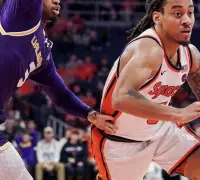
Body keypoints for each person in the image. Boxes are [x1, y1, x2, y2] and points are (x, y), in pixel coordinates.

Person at [93, 0, 200, 180]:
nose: (187, 20)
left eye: (190, 13)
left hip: (163, 132)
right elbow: (121, 98)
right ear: (157, 18)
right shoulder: (148, 49)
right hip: (121, 141)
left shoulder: (190, 54)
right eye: (177, 14)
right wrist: (179, 114)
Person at [0, 0, 116, 179]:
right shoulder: (20, 14)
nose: (57, 1)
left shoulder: (43, 50)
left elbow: (60, 95)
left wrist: (91, 114)